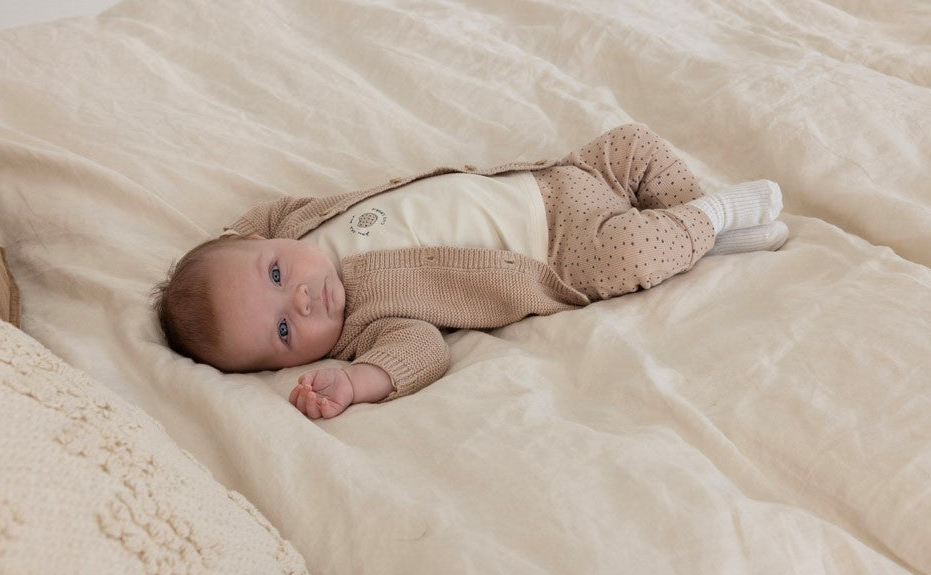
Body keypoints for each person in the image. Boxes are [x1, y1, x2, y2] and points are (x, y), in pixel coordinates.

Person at [153, 124, 787, 419]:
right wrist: (357, 384)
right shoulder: (362, 326)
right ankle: (716, 216)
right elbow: (421, 351)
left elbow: (240, 235)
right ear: (286, 365)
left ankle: (699, 234)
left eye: (273, 276)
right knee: (633, 255)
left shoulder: (292, 225)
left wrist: (224, 248)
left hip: (556, 178)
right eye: (284, 332)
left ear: (263, 242)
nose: (302, 300)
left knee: (637, 143)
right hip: (562, 250)